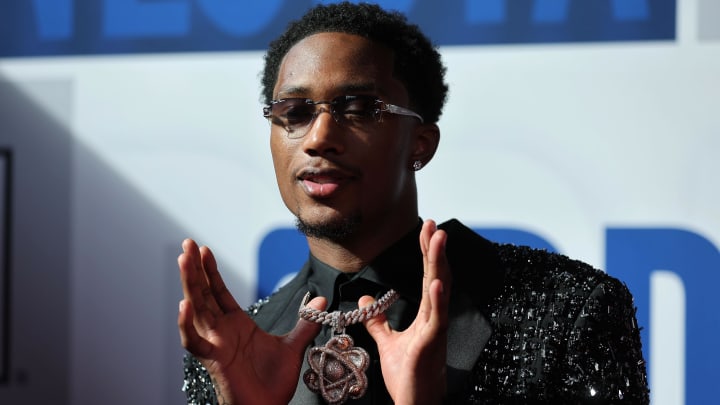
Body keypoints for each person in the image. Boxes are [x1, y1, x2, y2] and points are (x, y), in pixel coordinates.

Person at [178, 2, 649, 404]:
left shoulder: (566, 308)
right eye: (294, 113)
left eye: (358, 108)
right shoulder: (231, 348)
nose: (319, 138)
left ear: (420, 143)